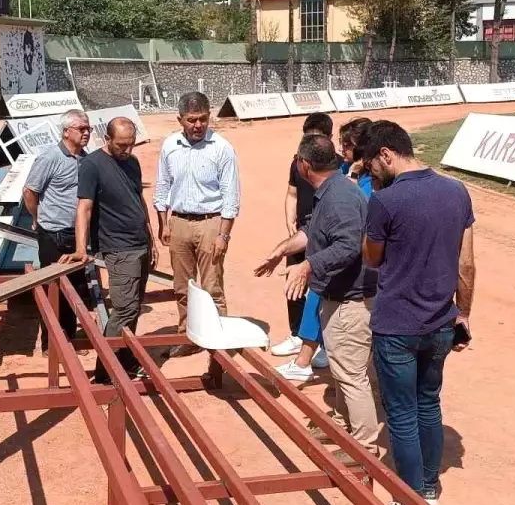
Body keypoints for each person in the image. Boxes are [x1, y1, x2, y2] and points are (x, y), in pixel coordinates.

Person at [360, 120, 476, 505]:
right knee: (429, 404)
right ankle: (429, 486)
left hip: (395, 324)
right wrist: (463, 313)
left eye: (373, 163)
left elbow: (372, 259)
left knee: (402, 413)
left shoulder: (385, 201)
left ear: (387, 154)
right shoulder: (457, 192)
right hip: (441, 321)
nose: (372, 171)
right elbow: (466, 263)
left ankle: (411, 503)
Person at [255, 134, 380, 459]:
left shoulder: (338, 198)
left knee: (352, 376)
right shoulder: (332, 191)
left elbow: (348, 246)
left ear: (304, 165)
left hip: (352, 301)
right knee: (340, 368)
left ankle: (363, 449)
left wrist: (309, 265)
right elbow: (312, 232)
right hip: (337, 296)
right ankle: (341, 423)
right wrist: (281, 251)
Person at [61, 117, 158, 384]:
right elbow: (84, 207)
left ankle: (125, 361)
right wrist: (81, 248)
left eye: (131, 144)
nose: (126, 150)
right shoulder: (92, 165)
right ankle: (105, 371)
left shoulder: (133, 163)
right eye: (121, 145)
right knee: (124, 309)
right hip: (118, 247)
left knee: (134, 308)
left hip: (140, 243)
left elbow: (138, 199)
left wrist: (151, 239)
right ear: (107, 140)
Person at [153, 91, 240, 341]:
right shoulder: (169, 146)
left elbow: (230, 195)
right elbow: (162, 185)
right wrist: (163, 222)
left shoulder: (222, 148)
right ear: (180, 119)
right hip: (178, 223)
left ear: (209, 116)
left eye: (203, 118)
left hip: (211, 224)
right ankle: (187, 337)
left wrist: (223, 235)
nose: (198, 125)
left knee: (213, 287)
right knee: (183, 288)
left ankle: (218, 343)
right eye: (191, 120)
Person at [23, 109, 93, 348]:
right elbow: (30, 192)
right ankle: (51, 343)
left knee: (74, 285)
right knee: (54, 287)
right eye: (82, 129)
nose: (87, 133)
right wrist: (37, 218)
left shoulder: (86, 158)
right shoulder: (50, 158)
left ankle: (69, 337)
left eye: (88, 129)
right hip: (53, 233)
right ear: (66, 131)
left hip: (77, 233)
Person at [271, 112, 334, 359]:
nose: (309, 145)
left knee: (325, 289)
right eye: (306, 138)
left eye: (315, 138)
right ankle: (297, 335)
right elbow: (292, 194)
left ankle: (325, 344)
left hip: (327, 236)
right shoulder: (297, 163)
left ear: (328, 138)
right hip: (301, 234)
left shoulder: (337, 166)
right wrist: (289, 220)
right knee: (293, 284)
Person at [338, 117, 374, 197]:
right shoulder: (346, 165)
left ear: (361, 147)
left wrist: (353, 173)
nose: (340, 149)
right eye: (341, 143)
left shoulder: (373, 179)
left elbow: (351, 201)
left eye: (346, 146)